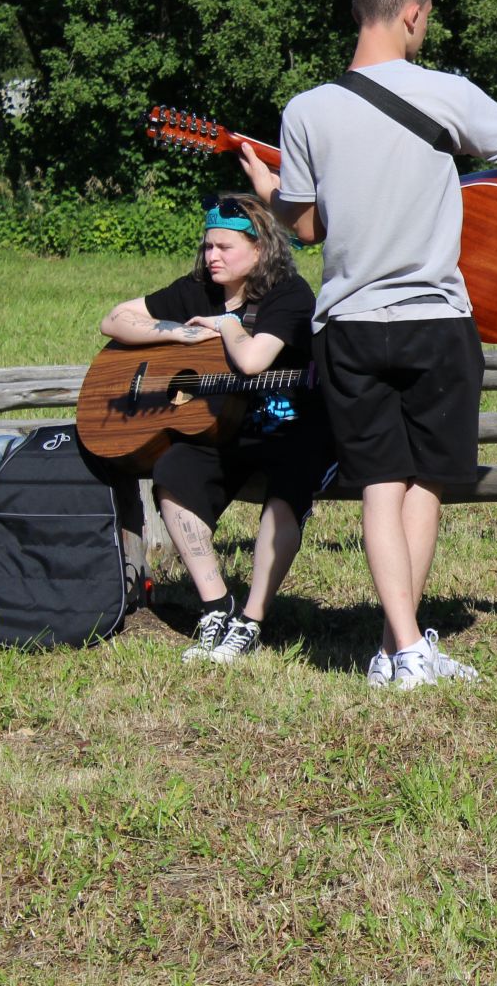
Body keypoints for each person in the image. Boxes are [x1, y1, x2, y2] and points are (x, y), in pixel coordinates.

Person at [239, 0, 497, 690]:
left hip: (348, 322)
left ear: (360, 9)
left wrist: (273, 190)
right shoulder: (450, 92)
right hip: (435, 316)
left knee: (380, 482)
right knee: (426, 484)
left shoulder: (305, 111)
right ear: (412, 13)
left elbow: (309, 229)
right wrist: (467, 184)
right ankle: (406, 649)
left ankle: (402, 648)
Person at [98, 194, 335, 664]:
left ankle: (250, 620)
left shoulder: (289, 294)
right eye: (208, 247)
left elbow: (252, 361)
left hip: (297, 429)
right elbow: (114, 319)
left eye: (225, 247)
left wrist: (226, 326)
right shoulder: (197, 289)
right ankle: (215, 607)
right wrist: (183, 333)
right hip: (221, 428)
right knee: (173, 477)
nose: (212, 257)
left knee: (283, 498)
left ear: (261, 248)